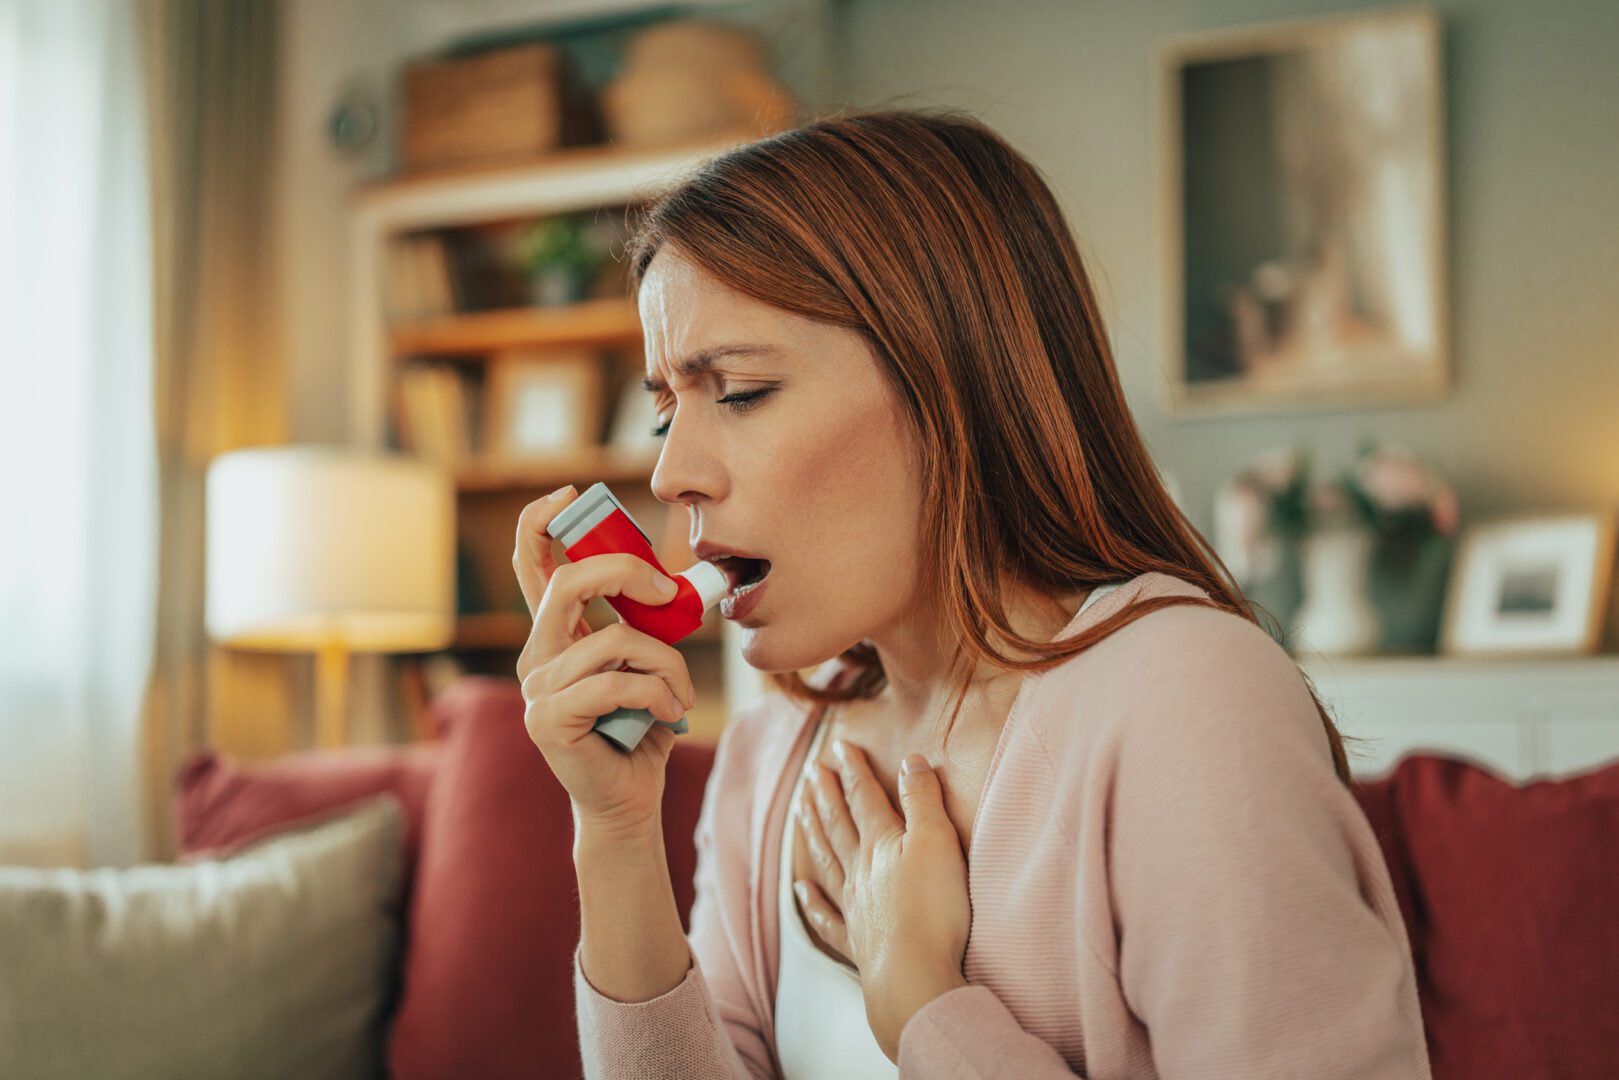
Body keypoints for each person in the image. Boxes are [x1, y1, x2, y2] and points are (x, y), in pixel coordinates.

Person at [512, 107, 1431, 1079]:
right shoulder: (772, 747)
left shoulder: (1186, 701)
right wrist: (613, 833)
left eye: (736, 391)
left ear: (948, 380)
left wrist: (926, 1010)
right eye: (666, 413)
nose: (671, 474)